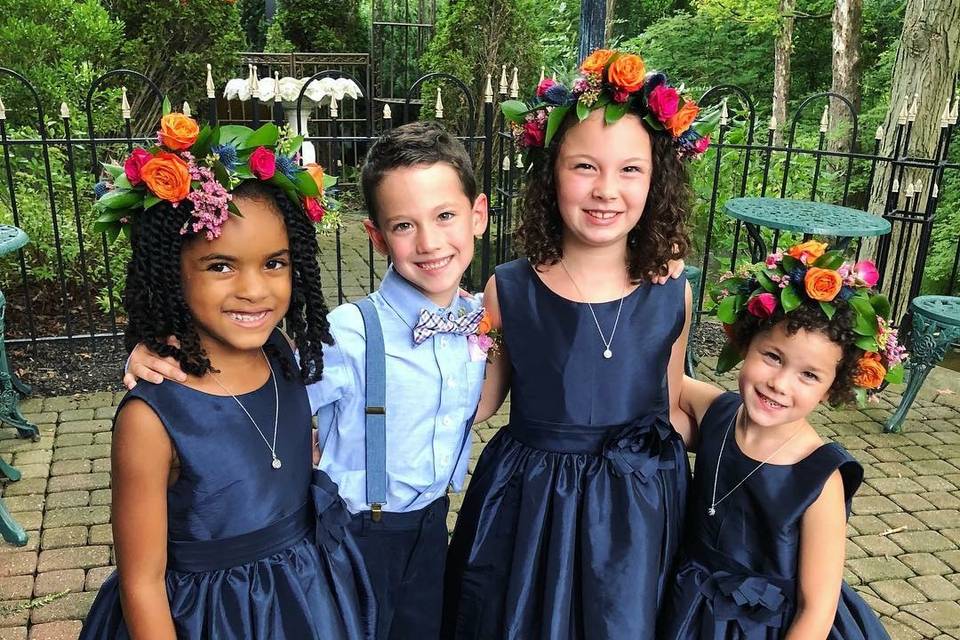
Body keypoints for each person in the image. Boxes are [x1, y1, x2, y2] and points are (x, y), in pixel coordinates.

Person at [123, 121, 490, 640]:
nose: (430, 242)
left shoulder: (480, 320)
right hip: (357, 534)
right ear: (378, 237)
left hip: (431, 527)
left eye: (445, 216)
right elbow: (259, 398)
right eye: (405, 225)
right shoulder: (345, 336)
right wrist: (154, 351)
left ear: (478, 216)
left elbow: (482, 401)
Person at [442, 48, 720, 639]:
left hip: (640, 513)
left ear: (656, 181)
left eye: (629, 170)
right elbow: (480, 398)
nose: (605, 190)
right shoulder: (509, 288)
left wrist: (754, 429)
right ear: (552, 174)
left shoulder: (673, 291)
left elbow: (668, 404)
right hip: (532, 506)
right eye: (584, 167)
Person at [80, 114, 374, 639]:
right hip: (211, 618)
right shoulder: (152, 419)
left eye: (275, 264)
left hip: (304, 597)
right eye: (220, 266)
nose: (254, 290)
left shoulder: (282, 354)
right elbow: (142, 582)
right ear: (173, 271)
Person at [660, 242, 899, 639]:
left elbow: (817, 606)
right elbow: (666, 390)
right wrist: (672, 298)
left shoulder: (819, 479)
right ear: (746, 344)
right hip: (689, 609)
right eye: (772, 356)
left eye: (809, 375)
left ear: (830, 388)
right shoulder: (720, 414)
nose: (779, 383)